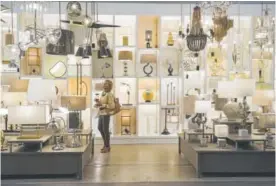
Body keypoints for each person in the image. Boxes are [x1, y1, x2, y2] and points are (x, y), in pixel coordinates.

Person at [94, 80, 115, 153]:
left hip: (106, 114)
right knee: (100, 128)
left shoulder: (110, 94)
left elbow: (112, 106)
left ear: (110, 86)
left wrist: (102, 105)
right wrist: (97, 103)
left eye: (107, 84)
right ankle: (106, 144)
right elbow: (101, 103)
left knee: (105, 130)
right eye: (105, 84)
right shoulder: (103, 93)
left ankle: (107, 146)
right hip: (101, 113)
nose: (105, 85)